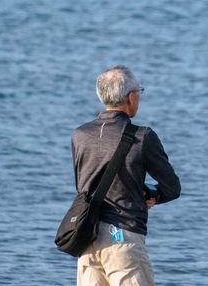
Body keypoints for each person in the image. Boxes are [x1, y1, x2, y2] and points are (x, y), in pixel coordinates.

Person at [71, 66, 181, 286]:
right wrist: (153, 196)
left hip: (87, 238)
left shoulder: (80, 135)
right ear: (131, 97)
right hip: (123, 238)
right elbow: (172, 187)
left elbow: (83, 185)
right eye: (139, 91)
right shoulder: (143, 137)